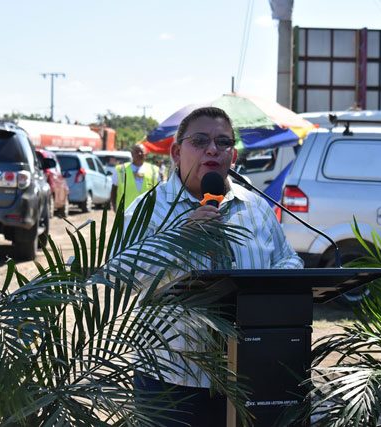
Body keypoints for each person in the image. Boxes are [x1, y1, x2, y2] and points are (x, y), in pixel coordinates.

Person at [125, 106, 303, 426]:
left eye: (223, 142)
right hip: (171, 382)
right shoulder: (147, 209)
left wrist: (271, 283)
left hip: (249, 376)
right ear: (176, 153)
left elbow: (288, 259)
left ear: (232, 156)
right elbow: (124, 276)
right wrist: (179, 241)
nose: (212, 149)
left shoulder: (256, 207)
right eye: (200, 140)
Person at [110, 143, 160, 212]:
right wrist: (114, 206)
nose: (139, 154)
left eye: (141, 152)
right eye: (137, 151)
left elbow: (159, 191)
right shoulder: (120, 169)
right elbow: (114, 190)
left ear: (145, 154)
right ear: (132, 153)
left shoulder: (153, 170)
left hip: (146, 212)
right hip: (125, 212)